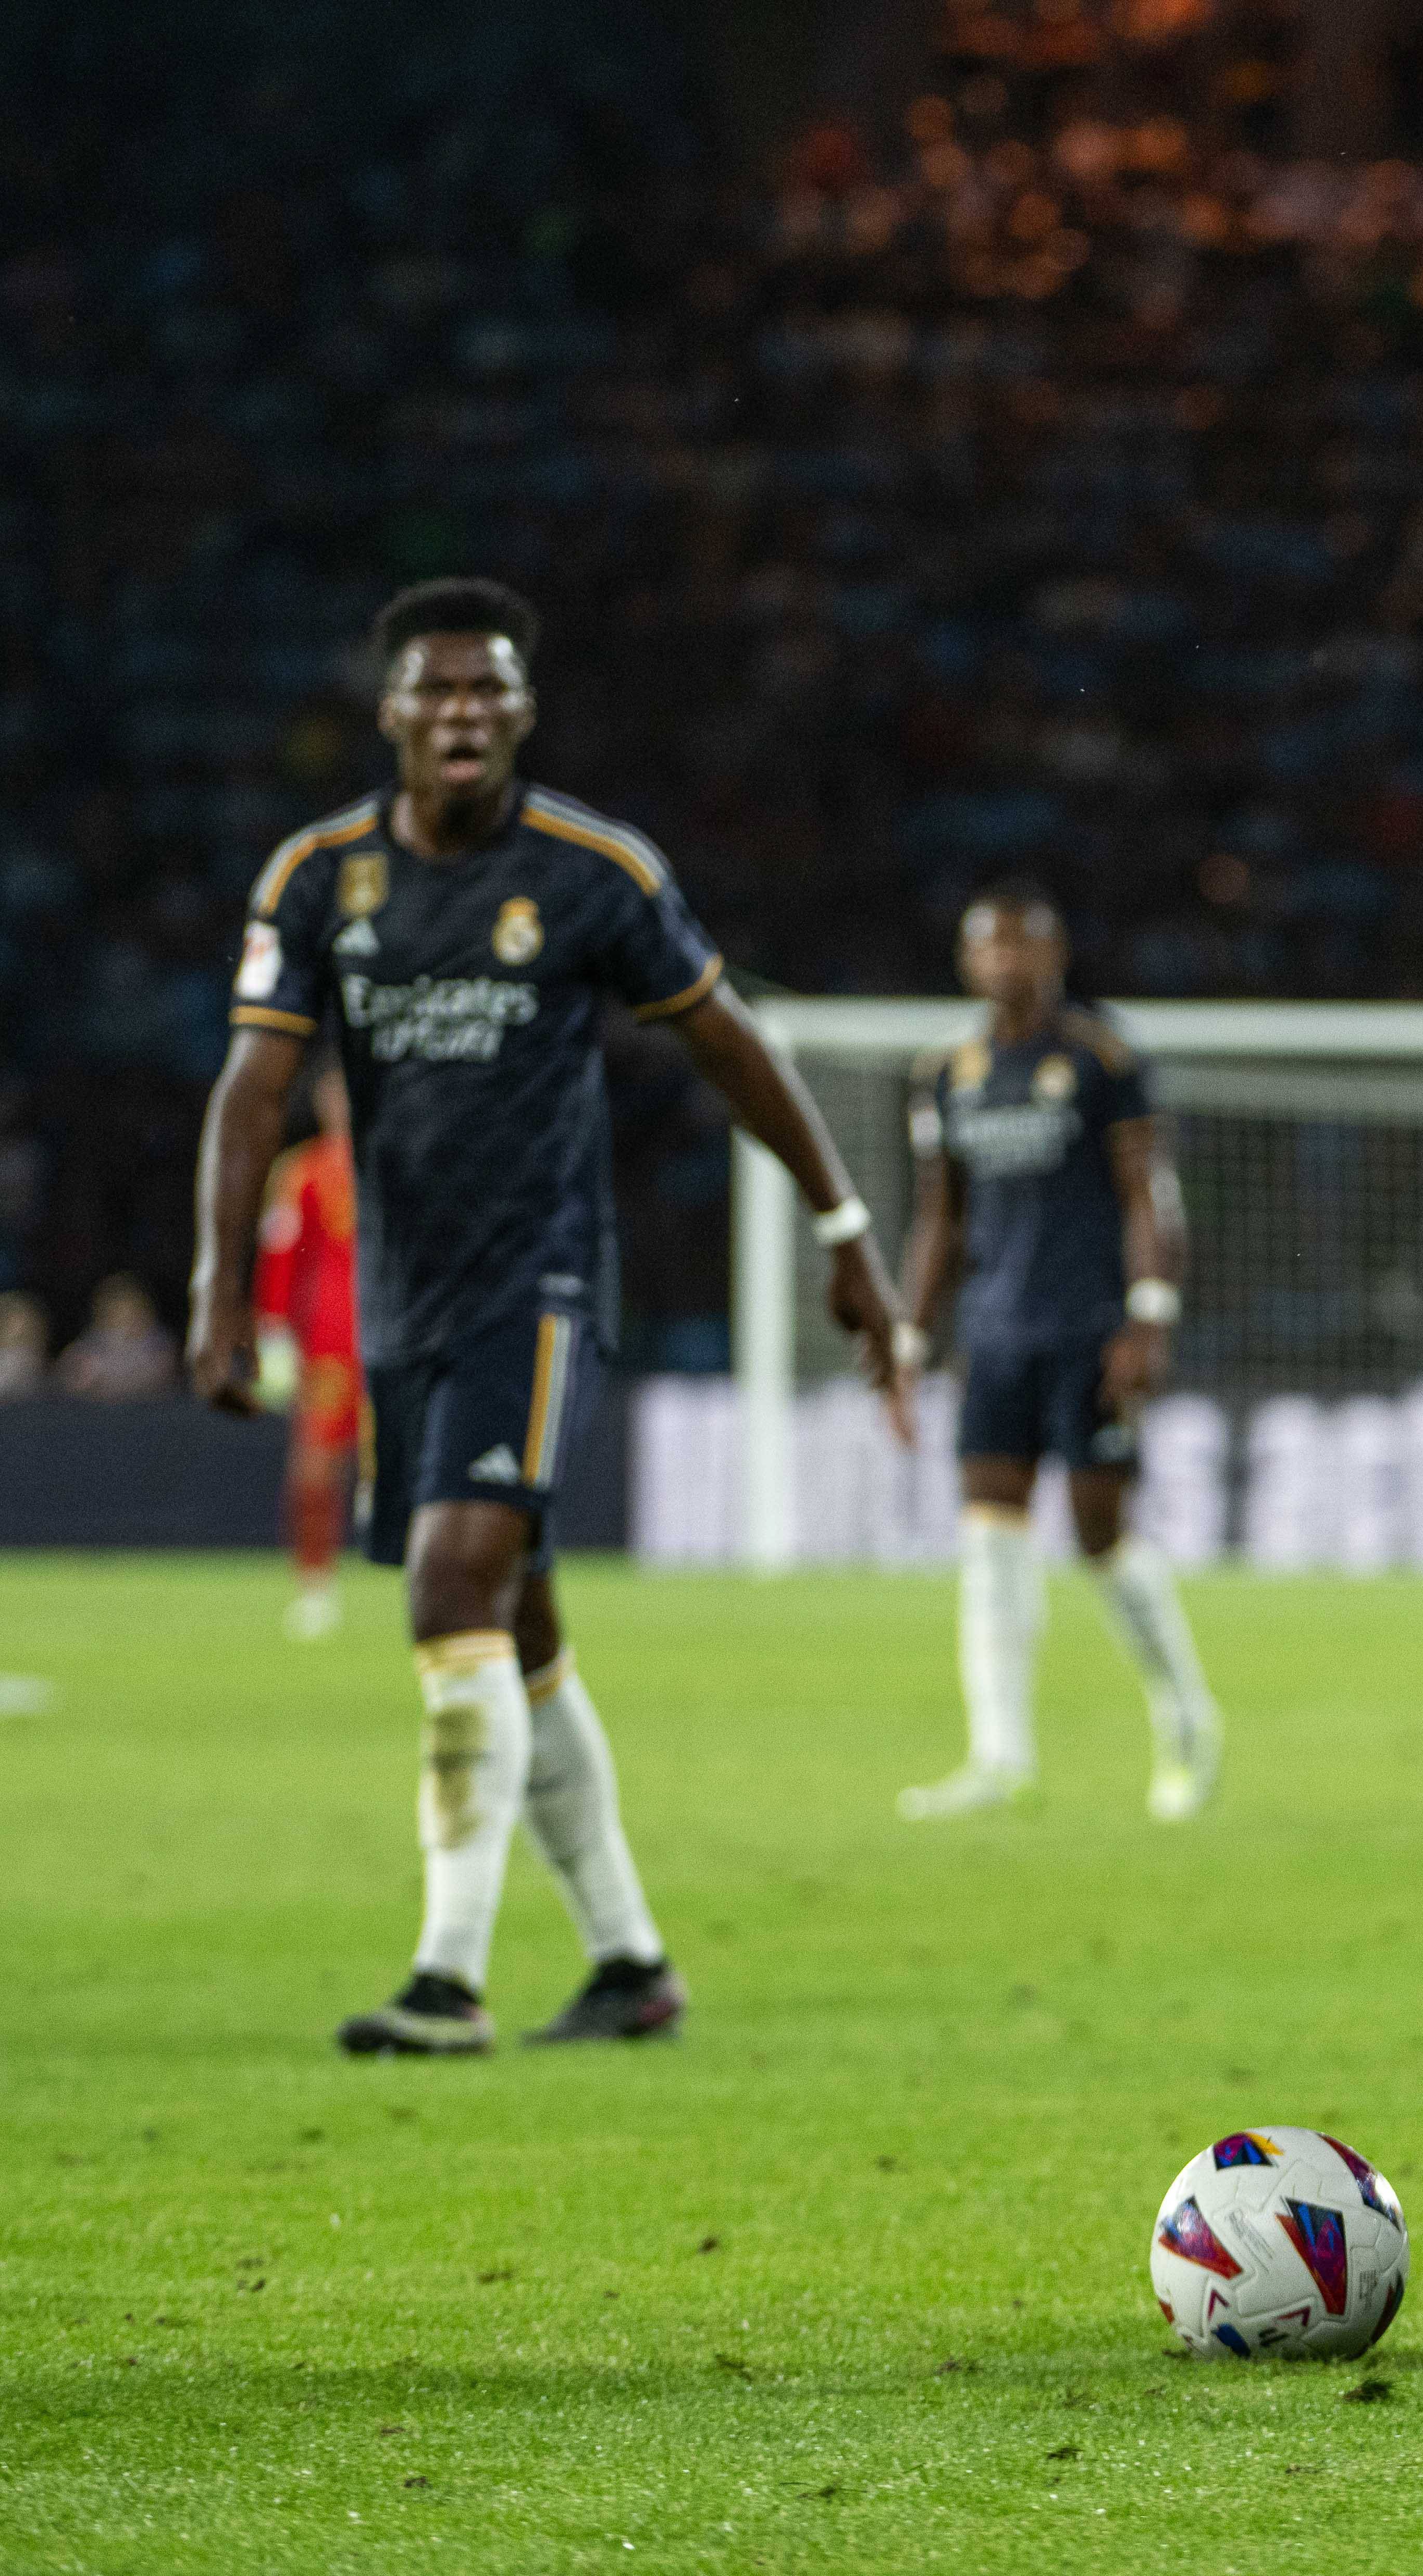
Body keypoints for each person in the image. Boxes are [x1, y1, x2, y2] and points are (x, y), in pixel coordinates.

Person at [190, 575, 911, 2057]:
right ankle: (632, 1960)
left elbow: (730, 1042)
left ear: (522, 711)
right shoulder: (317, 879)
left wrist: (845, 1230)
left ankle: (447, 1976)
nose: (463, 714)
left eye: (490, 691)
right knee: (516, 1624)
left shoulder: (589, 870)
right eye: (436, 692)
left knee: (448, 1586)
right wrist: (217, 1287)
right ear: (389, 711)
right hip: (401, 1298)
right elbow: (254, 1089)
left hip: (539, 1286)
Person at [892, 883, 1219, 1825]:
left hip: (1089, 1332)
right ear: (966, 962)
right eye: (987, 947)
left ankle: (1186, 1719)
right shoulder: (945, 1073)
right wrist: (913, 1334)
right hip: (995, 1337)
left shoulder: (1100, 1058)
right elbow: (939, 1221)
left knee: (1097, 1534)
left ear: (1055, 954)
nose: (1004, 963)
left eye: (1020, 946)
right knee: (990, 1539)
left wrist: (1147, 1319)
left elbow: (1146, 1196)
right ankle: (998, 1755)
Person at [256, 1062, 365, 1638]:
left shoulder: (400, 1162)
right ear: (324, 1098)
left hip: (399, 1341)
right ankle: (316, 1584)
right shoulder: (301, 1171)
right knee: (316, 1468)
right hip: (330, 1345)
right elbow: (282, 1256)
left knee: (416, 1468)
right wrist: (273, 1333)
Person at [58, 1275, 178, 1401]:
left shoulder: (160, 1347)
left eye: (133, 1313)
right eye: (119, 1314)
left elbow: (160, 1379)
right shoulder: (86, 1351)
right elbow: (72, 1385)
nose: (128, 1321)